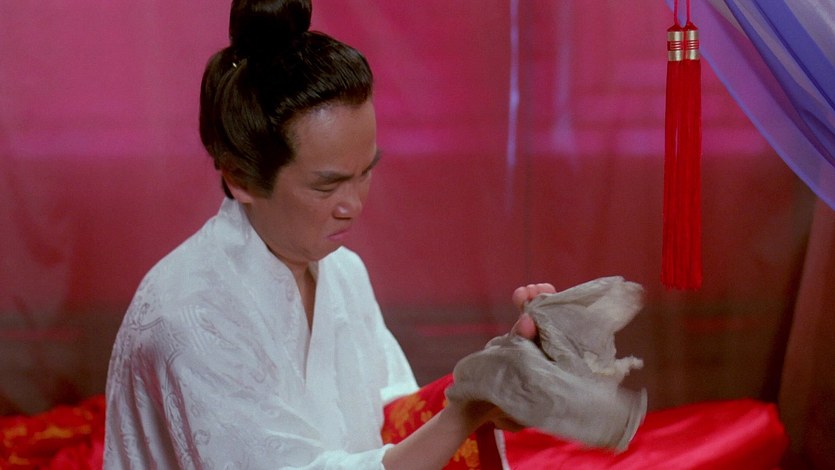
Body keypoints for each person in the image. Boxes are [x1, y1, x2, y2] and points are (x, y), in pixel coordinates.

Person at [103, 0, 554, 468]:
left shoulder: (342, 270)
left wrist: (498, 381)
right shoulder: (190, 315)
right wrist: (462, 414)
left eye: (365, 173)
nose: (352, 205)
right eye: (327, 185)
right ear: (239, 177)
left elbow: (390, 417)